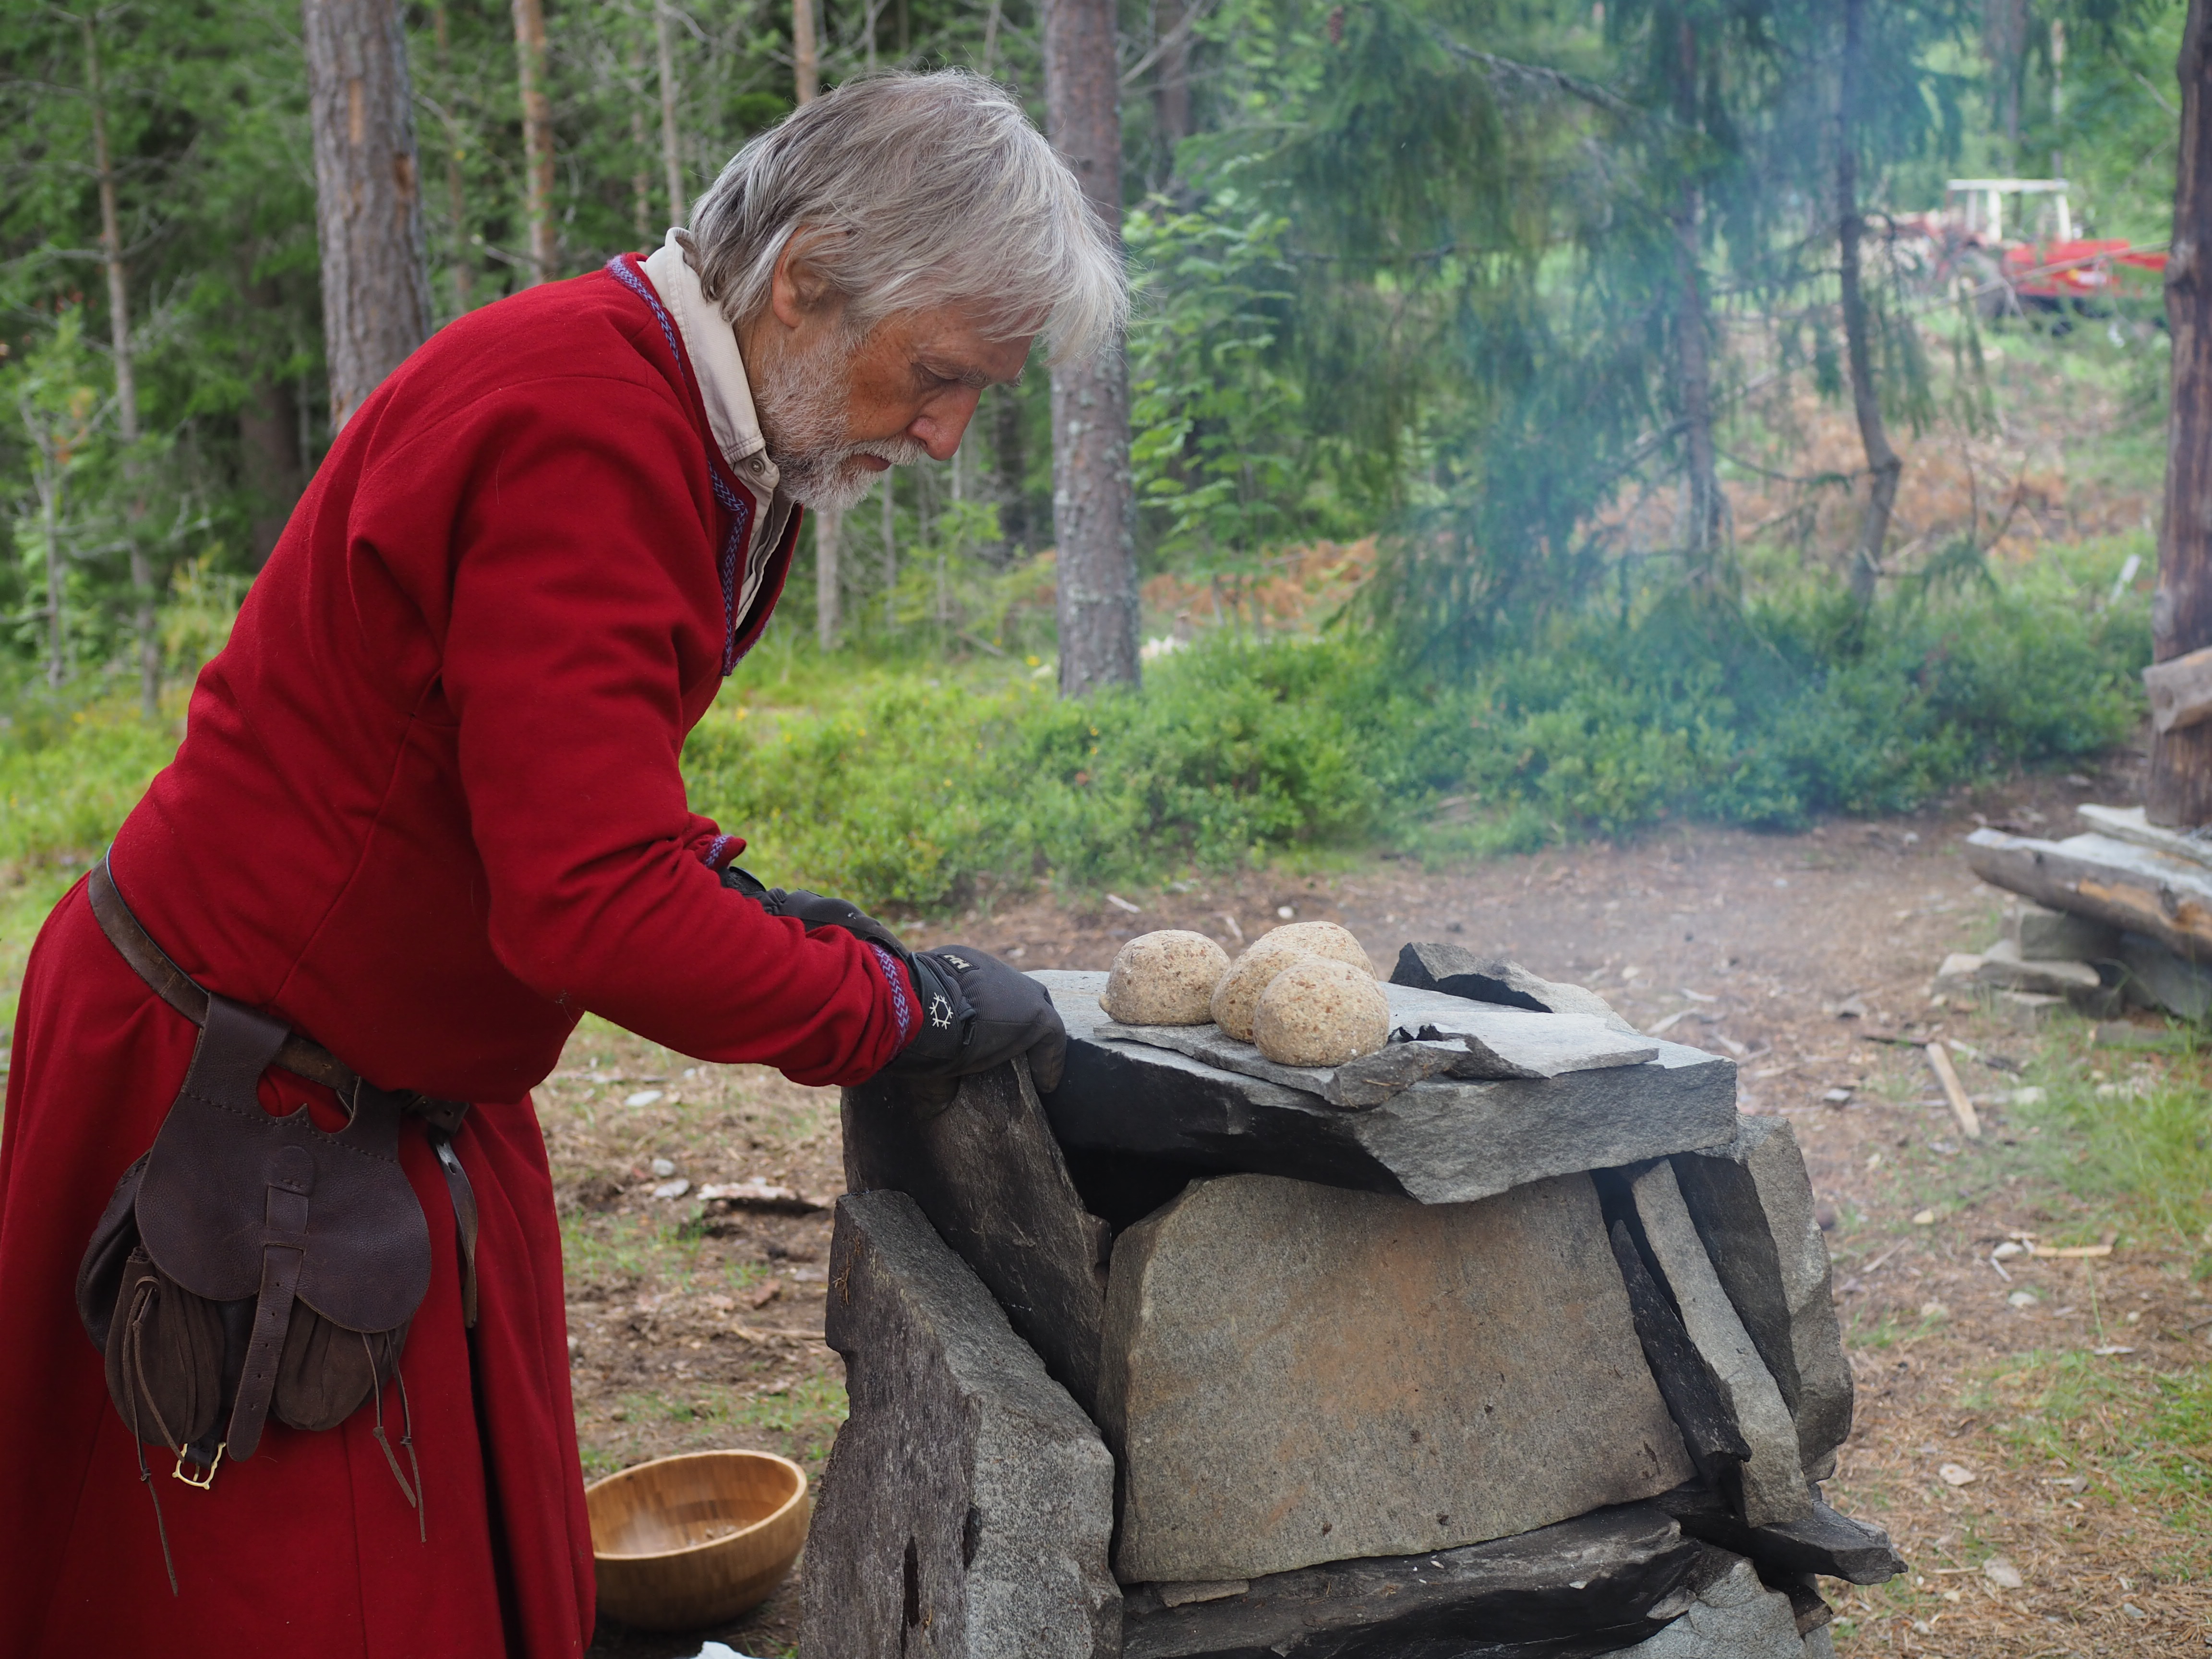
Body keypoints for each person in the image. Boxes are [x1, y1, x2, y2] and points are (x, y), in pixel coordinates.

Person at [0, 70, 1124, 1657]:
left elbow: (552, 788)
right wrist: (896, 1009)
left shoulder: (711, 427)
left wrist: (751, 907)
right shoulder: (582, 425)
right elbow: (589, 902)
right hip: (231, 1101)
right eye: (940, 375)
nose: (945, 436)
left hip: (392, 1095)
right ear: (803, 278)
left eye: (977, 396)